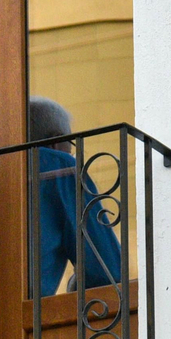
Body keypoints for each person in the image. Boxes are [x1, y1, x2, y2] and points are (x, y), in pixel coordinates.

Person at [29, 96, 122, 297]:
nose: (71, 154)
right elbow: (107, 271)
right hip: (25, 319)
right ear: (55, 142)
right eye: (70, 145)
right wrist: (74, 285)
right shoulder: (59, 166)